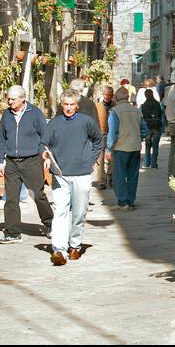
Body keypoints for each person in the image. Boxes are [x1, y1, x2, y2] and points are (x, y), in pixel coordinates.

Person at [40, 89, 104, 265]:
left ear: (77, 105)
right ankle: (59, 250)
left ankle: (75, 245)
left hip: (82, 173)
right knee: (61, 211)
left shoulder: (87, 122)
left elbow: (98, 140)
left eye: (71, 105)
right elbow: (44, 143)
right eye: (65, 104)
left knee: (79, 211)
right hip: (60, 174)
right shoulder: (54, 123)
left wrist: (91, 160)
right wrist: (44, 154)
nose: (68, 108)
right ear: (62, 105)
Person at [0, 85, 53, 244]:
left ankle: (50, 224)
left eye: (13, 99)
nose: (10, 102)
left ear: (23, 98)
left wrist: (45, 153)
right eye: (8, 99)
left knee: (38, 194)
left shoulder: (35, 114)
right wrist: (1, 160)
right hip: (12, 162)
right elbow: (2, 139)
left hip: (32, 160)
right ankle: (12, 232)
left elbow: (45, 135)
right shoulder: (6, 115)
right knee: (11, 198)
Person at [105, 87, 146, 209]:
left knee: (120, 175)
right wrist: (138, 136)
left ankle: (122, 202)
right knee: (133, 175)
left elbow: (112, 133)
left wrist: (109, 148)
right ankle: (130, 200)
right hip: (135, 146)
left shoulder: (115, 112)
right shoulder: (137, 111)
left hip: (121, 147)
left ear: (116, 98)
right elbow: (145, 130)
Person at [139, 86, 164, 169]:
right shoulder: (158, 104)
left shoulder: (143, 105)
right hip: (157, 126)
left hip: (147, 126)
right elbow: (162, 115)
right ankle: (154, 163)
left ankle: (147, 162)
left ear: (145, 96)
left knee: (147, 146)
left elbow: (141, 117)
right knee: (155, 146)